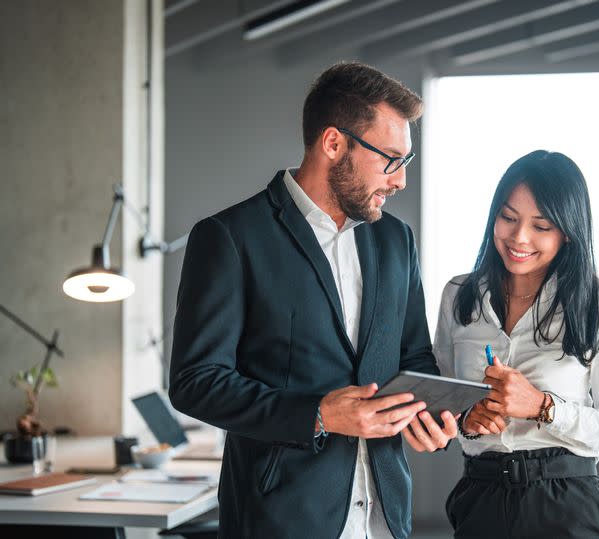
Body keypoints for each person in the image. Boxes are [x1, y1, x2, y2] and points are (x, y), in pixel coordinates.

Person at [169, 62, 457, 539]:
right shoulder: (230, 238)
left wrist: (431, 416)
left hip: (385, 517)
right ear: (333, 143)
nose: (401, 181)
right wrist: (319, 415)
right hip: (281, 518)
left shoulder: (396, 241)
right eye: (392, 160)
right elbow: (195, 381)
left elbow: (413, 357)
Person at [435, 150, 599, 538]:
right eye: (508, 218)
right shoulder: (459, 295)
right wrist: (468, 421)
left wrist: (543, 407)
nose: (519, 237)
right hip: (480, 496)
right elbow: (444, 402)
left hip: (566, 502)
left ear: (567, 231)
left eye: (541, 225)